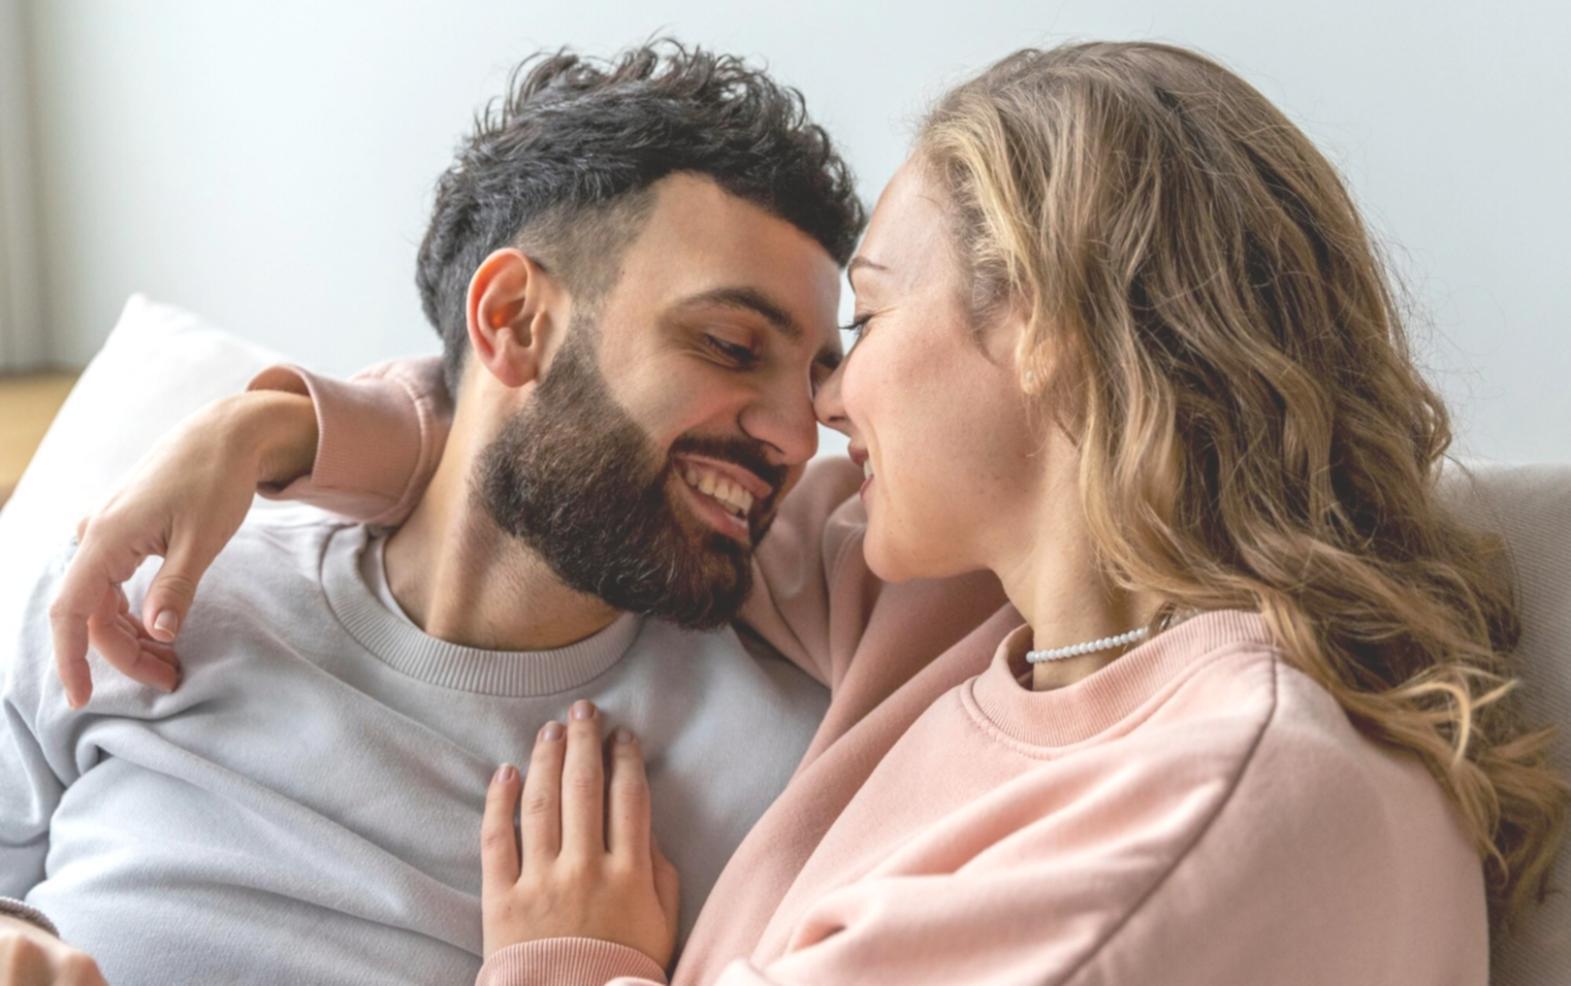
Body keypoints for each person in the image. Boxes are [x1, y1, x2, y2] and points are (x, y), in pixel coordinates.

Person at [40, 41, 1571, 985]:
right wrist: (273, 425)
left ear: (1045, 330)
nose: (814, 414)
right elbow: (556, 448)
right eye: (742, 348)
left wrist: (570, 965)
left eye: (862, 326)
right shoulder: (970, 610)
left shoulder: (1199, 807)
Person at [0, 41, 882, 984]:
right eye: (730, 345)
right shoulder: (136, 597)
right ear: (514, 322)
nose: (798, 436)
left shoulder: (774, 774)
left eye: (817, 379)